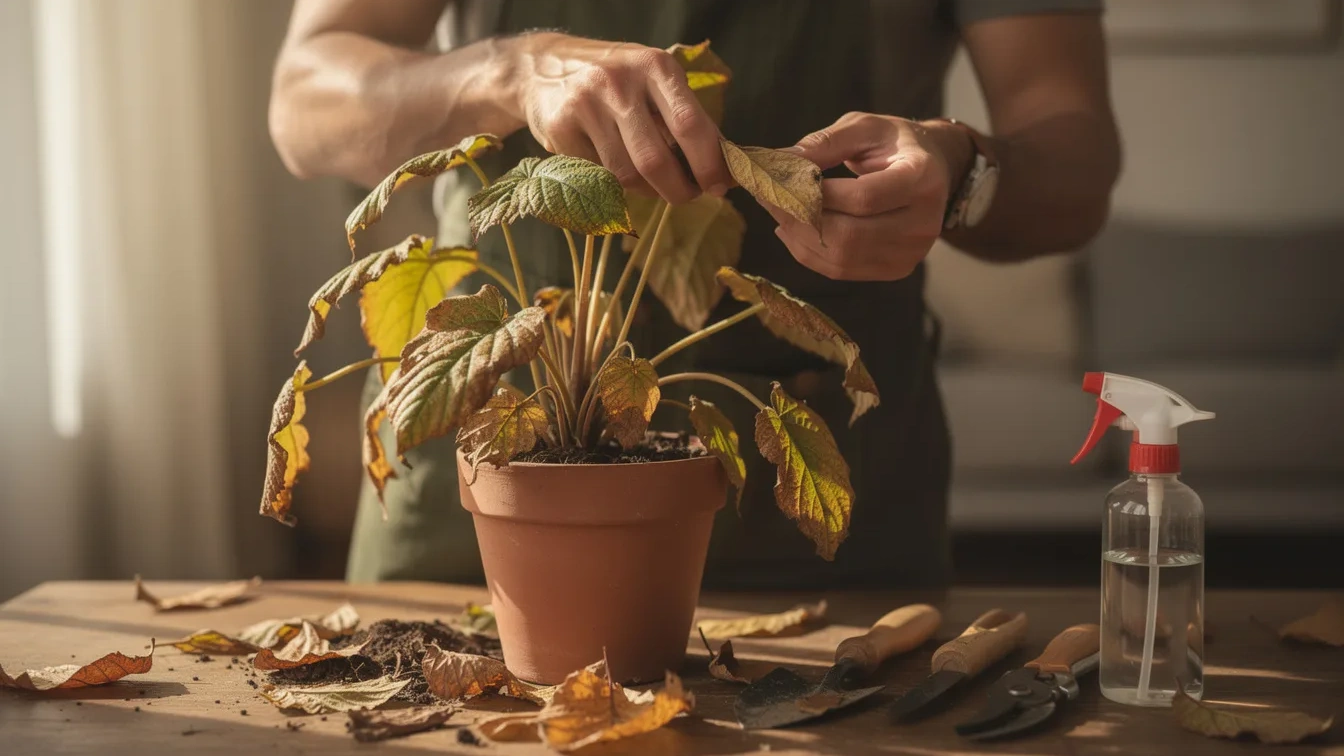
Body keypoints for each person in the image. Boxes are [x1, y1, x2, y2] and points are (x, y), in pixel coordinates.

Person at [269, 0, 1120, 590]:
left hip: (822, 545)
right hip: (475, 501)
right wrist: (512, 69)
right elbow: (306, 100)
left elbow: (1074, 160)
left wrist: (962, 171)